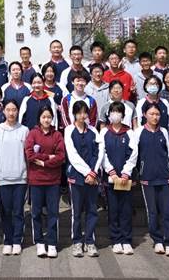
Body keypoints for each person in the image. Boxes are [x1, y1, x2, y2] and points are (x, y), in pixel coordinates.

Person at [0, 99, 29, 256]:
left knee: (18, 211)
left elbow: (28, 155)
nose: (11, 113)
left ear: (18, 111)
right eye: (8, 110)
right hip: (2, 178)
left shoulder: (24, 130)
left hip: (20, 177)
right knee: (5, 211)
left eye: (14, 110)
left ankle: (17, 240)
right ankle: (8, 240)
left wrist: (28, 175)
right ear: (3, 111)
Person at [64, 101, 104, 258]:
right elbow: (72, 155)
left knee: (92, 210)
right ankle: (77, 241)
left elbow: (99, 152)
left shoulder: (93, 130)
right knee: (76, 211)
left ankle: (90, 241)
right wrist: (87, 172)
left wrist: (93, 173)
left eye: (84, 112)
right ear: (74, 114)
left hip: (92, 177)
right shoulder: (69, 130)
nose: (82, 115)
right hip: (76, 176)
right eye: (79, 112)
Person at [25, 106, 65, 258]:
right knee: (36, 212)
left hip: (53, 180)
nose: (46, 120)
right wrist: (48, 157)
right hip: (36, 180)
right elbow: (29, 155)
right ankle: (39, 242)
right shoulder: (33, 133)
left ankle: (52, 243)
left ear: (52, 118)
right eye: (43, 117)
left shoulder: (57, 135)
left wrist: (44, 162)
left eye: (49, 117)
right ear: (39, 118)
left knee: (53, 212)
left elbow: (61, 157)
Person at [137, 103, 169, 257]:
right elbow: (135, 155)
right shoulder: (139, 132)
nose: (154, 117)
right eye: (151, 114)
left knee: (168, 211)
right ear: (144, 115)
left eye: (157, 114)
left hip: (166, 178)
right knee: (152, 211)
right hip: (147, 178)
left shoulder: (164, 132)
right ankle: (158, 240)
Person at [101, 101, 138, 256]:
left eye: (118, 112)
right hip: (111, 178)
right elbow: (102, 154)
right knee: (113, 209)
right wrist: (111, 172)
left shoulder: (129, 132)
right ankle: (115, 239)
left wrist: (125, 173)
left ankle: (126, 240)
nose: (115, 114)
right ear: (109, 115)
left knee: (126, 209)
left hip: (125, 179)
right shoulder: (104, 132)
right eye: (112, 112)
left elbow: (133, 153)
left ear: (123, 115)